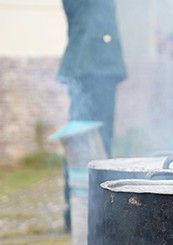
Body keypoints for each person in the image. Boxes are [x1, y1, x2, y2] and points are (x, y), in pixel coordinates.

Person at [57, 0, 126, 156]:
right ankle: (78, 177)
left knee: (104, 133)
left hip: (107, 68)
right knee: (80, 132)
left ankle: (101, 176)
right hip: (85, 68)